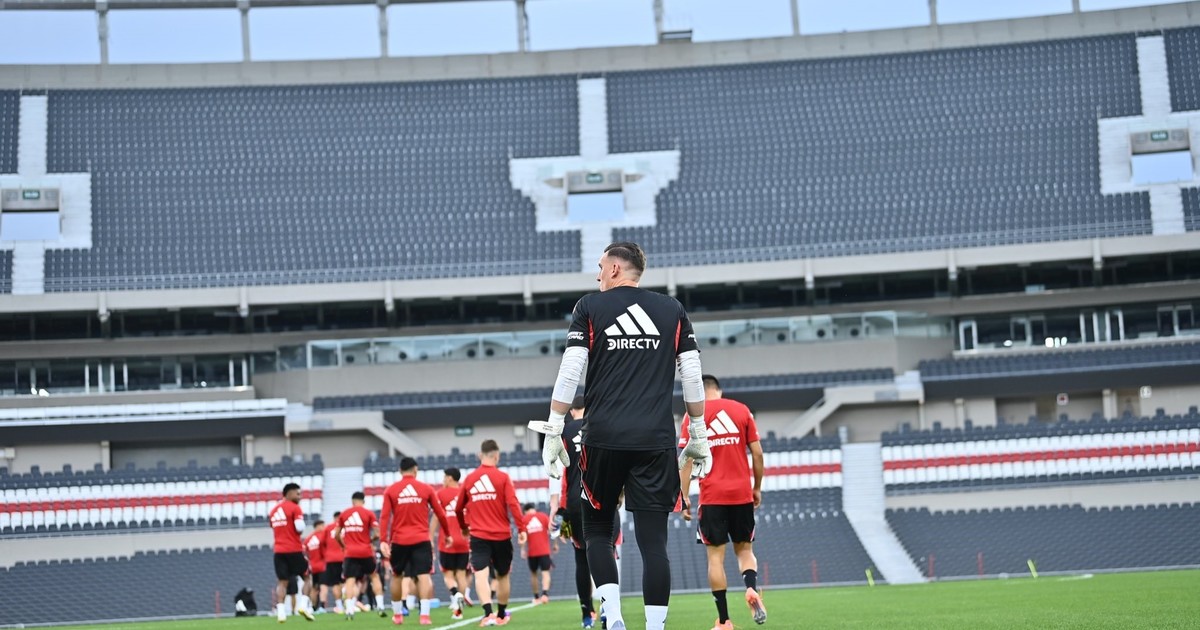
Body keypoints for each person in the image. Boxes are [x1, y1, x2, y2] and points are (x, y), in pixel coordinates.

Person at [533, 241, 709, 630]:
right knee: (654, 542)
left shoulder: (589, 307)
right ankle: (655, 627)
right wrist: (698, 430)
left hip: (603, 438)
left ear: (614, 269)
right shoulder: (673, 310)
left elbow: (570, 370)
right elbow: (693, 375)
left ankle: (613, 618)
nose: (597, 275)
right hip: (655, 440)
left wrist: (554, 425)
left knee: (597, 530)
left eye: (600, 267)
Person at [680, 375, 767, 629]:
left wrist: (684, 496)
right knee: (745, 552)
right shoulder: (741, 410)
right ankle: (751, 588)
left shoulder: (692, 416)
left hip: (712, 497)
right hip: (741, 495)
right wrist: (756, 487)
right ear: (719, 390)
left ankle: (724, 620)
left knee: (715, 559)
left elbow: (686, 460)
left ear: (700, 391)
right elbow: (758, 453)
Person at [455, 439, 527, 627]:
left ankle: (488, 614)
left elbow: (458, 508)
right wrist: (521, 529)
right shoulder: (503, 477)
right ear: (497, 456)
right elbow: (513, 504)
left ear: (481, 455)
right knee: (502, 576)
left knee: (480, 574)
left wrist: (463, 526)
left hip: (478, 535)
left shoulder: (470, 478)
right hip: (502, 535)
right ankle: (501, 615)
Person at [380, 456, 453, 626]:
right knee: (423, 576)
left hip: (399, 540)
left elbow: (384, 517)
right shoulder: (426, 489)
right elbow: (440, 513)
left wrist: (383, 540)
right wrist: (448, 533)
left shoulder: (391, 490)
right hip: (421, 539)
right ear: (415, 470)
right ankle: (424, 616)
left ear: (400, 471)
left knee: (397, 576)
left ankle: (397, 615)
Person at [270, 483, 316, 623]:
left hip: (279, 551)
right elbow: (299, 527)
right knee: (307, 577)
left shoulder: (273, 510)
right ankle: (303, 605)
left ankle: (281, 613)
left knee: (282, 582)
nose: (299, 497)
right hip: (294, 549)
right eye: (297, 494)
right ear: (289, 494)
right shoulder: (295, 508)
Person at [335, 492, 381, 619]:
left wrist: (343, 546)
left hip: (350, 552)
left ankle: (350, 609)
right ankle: (381, 606)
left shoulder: (344, 513)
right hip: (365, 551)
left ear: (352, 501)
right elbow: (377, 533)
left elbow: (337, 535)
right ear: (363, 501)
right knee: (374, 576)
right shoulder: (369, 513)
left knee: (350, 580)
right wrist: (370, 540)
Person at [435, 467, 473, 619]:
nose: (443, 480)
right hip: (464, 540)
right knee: (461, 575)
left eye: (445, 477)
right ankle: (459, 610)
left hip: (447, 541)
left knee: (448, 575)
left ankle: (455, 593)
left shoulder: (441, 494)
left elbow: (437, 517)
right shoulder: (466, 493)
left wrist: (430, 536)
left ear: (450, 478)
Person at [519, 503, 555, 605]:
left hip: (532, 552)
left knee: (533, 574)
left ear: (525, 511)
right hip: (544, 551)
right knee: (545, 572)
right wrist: (555, 544)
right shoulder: (543, 516)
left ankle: (536, 597)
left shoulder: (524, 519)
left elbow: (523, 536)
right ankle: (545, 594)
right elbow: (552, 530)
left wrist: (522, 549)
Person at [321, 511, 345, 614]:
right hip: (345, 557)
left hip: (331, 559)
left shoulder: (328, 528)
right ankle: (349, 602)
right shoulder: (346, 527)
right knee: (347, 581)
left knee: (335, 583)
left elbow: (322, 542)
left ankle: (339, 605)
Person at [303, 519, 328, 613]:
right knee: (323, 585)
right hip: (323, 565)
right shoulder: (323, 536)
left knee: (314, 587)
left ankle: (313, 607)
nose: (324, 527)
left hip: (313, 566)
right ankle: (322, 606)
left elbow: (304, 552)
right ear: (318, 526)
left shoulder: (308, 539)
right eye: (323, 525)